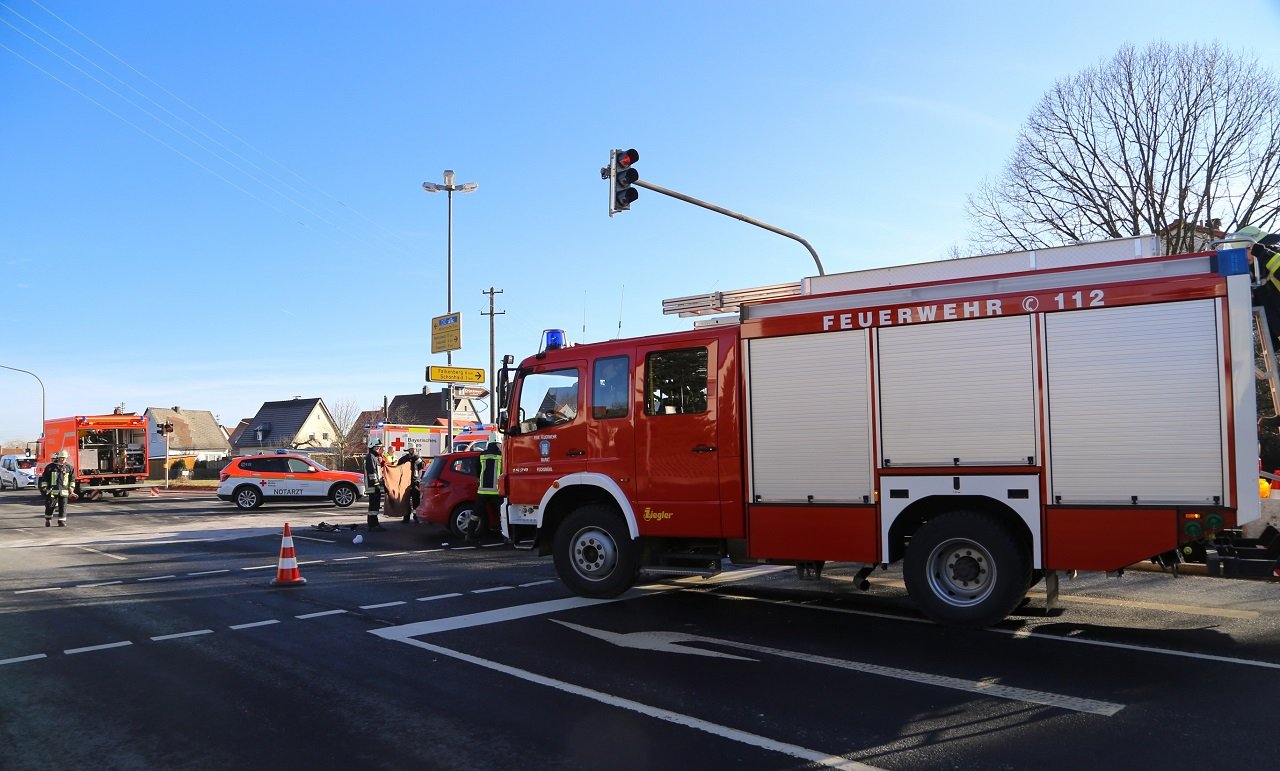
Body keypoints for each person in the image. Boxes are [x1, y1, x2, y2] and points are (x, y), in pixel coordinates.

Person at [39, 450, 74, 527]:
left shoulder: (69, 467)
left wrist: (71, 491)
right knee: (50, 506)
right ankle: (48, 519)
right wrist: (44, 488)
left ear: (66, 458)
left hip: (64, 491)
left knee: (63, 506)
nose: (62, 459)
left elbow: (72, 480)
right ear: (58, 458)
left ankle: (61, 521)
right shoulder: (50, 467)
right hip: (52, 491)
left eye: (64, 458)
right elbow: (45, 479)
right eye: (61, 458)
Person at [476, 442, 503, 540]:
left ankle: (469, 535)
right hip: (496, 491)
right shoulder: (500, 456)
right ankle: (505, 536)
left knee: (475, 514)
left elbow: (477, 470)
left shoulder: (482, 455)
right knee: (502, 514)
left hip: (482, 491)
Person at [396, 446, 424, 523]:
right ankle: (406, 517)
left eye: (413, 449)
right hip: (406, 483)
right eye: (411, 449)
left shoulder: (418, 458)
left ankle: (416, 517)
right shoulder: (404, 458)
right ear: (408, 450)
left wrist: (415, 457)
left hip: (415, 483)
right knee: (406, 501)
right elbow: (398, 465)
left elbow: (422, 465)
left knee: (416, 501)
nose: (412, 450)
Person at [365, 439, 388, 531]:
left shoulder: (374, 457)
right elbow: (372, 471)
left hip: (375, 486)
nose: (378, 448)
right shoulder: (370, 457)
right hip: (373, 486)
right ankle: (372, 525)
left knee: (375, 506)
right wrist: (376, 484)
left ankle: (374, 523)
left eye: (379, 447)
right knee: (373, 506)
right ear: (372, 447)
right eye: (377, 447)